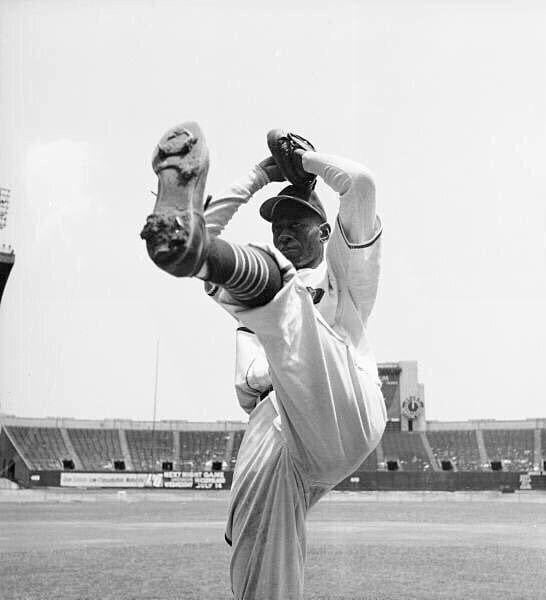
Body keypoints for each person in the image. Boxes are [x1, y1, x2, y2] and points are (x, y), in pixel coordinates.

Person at [141, 123, 387, 600]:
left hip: (340, 404)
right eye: (276, 223)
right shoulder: (256, 298)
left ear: (324, 229)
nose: (283, 230)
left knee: (283, 294)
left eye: (296, 222)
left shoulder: (343, 276)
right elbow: (190, 248)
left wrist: (301, 162)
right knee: (256, 564)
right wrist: (256, 177)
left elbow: (361, 184)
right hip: (278, 436)